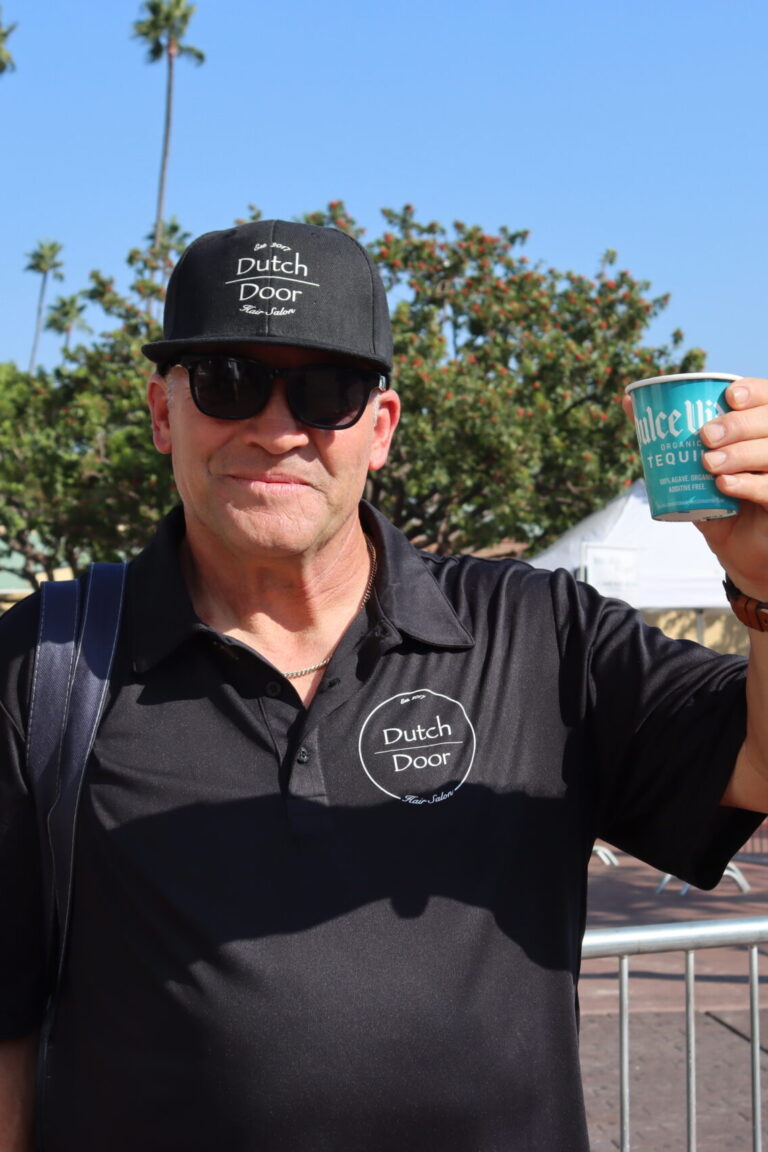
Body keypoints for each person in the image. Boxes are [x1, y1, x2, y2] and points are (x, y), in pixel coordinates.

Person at [1, 218, 767, 1152]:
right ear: (165, 413)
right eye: (228, 380)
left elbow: (756, 762)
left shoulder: (538, 632)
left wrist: (766, 592)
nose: (277, 429)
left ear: (380, 429)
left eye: (326, 390)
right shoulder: (44, 661)